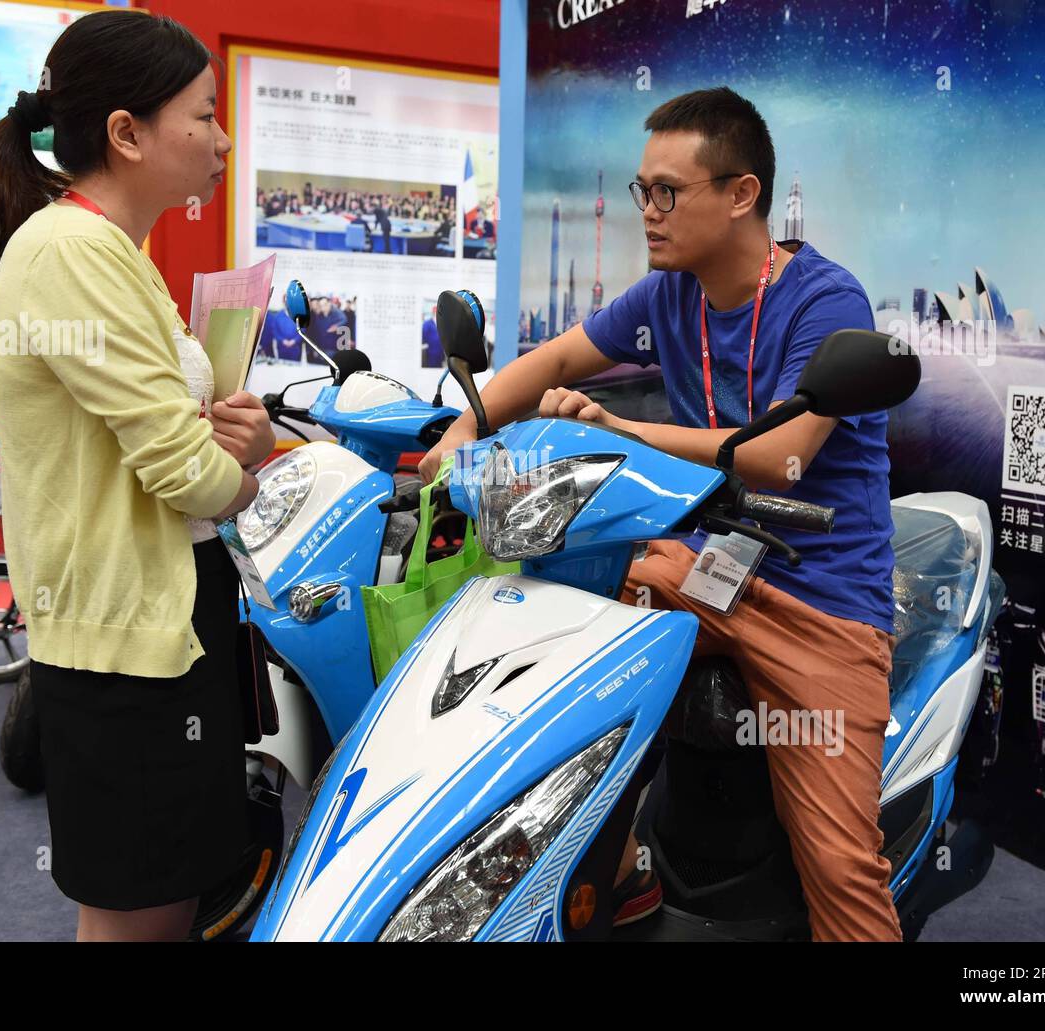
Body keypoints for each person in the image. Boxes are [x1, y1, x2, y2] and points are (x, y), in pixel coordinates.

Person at [420, 87, 902, 942]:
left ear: (743, 194)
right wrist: (464, 426)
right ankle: (613, 866)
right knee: (546, 648)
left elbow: (777, 455)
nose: (648, 211)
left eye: (668, 192)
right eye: (643, 189)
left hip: (821, 602)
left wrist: (620, 430)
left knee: (839, 867)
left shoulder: (826, 301)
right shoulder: (667, 295)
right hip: (706, 571)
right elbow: (558, 355)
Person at [0, 10, 275, 942]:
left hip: (153, 616)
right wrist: (244, 476)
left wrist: (220, 438)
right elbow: (180, 469)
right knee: (140, 913)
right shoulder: (75, 252)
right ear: (126, 134)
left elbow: (153, 436)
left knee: (162, 898)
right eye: (204, 115)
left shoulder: (105, 249)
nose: (222, 137)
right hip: (127, 639)